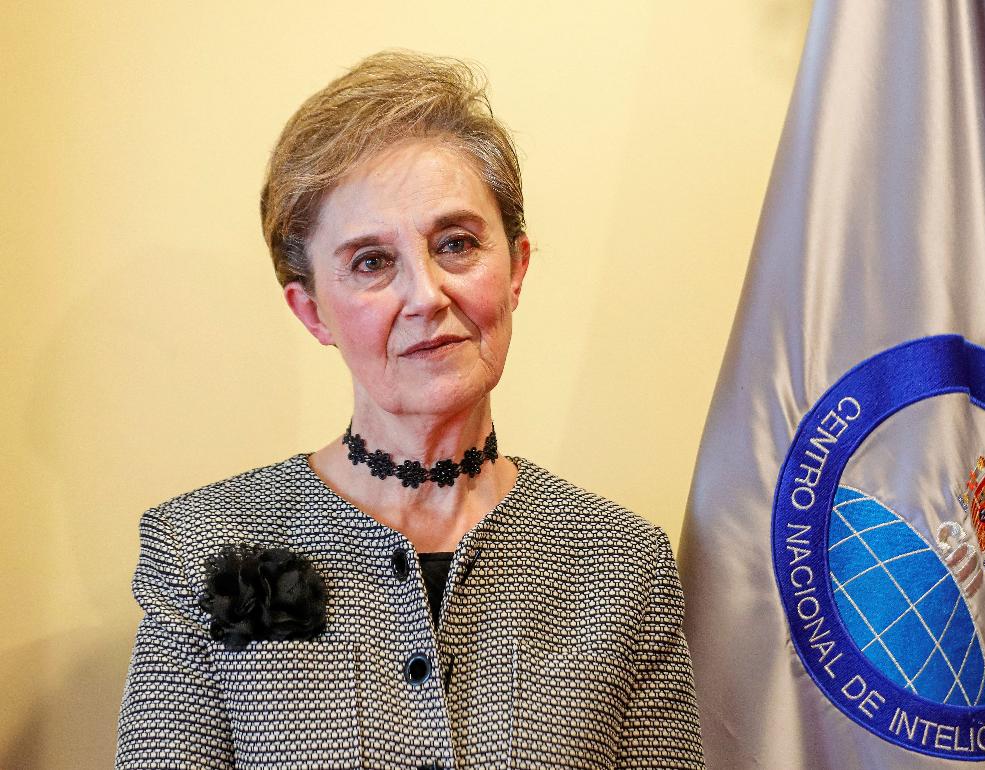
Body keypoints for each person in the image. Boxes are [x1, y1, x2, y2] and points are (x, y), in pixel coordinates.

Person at [116, 50, 704, 770]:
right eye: (372, 261)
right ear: (312, 312)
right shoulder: (202, 550)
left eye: (456, 244)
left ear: (516, 269)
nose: (426, 296)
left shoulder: (624, 564)